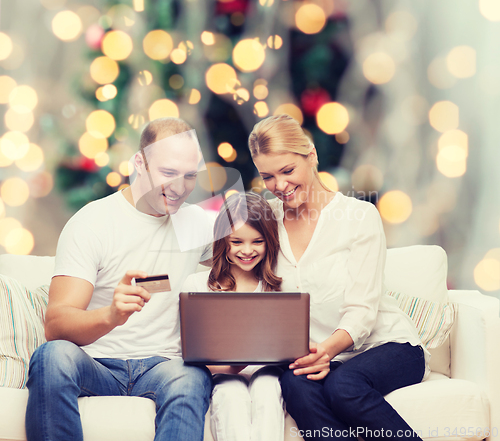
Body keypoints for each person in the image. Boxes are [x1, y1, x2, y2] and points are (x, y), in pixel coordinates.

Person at [26, 118, 214, 441]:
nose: (181, 188)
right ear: (139, 163)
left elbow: (254, 251)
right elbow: (56, 324)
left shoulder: (196, 224)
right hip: (96, 363)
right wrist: (111, 315)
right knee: (51, 357)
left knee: (192, 376)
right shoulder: (93, 223)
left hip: (163, 366)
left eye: (190, 176)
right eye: (168, 173)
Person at [248, 114, 430, 441]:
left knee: (342, 386)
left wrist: (327, 351)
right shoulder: (264, 222)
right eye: (268, 177)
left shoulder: (359, 217)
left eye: (288, 171)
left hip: (387, 346)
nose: (280, 186)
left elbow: (362, 309)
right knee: (293, 383)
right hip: (320, 355)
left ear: (312, 155)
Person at [182, 192, 285, 441]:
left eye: (257, 241)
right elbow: (191, 354)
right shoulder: (197, 284)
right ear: (222, 241)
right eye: (236, 242)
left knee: (268, 390)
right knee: (230, 394)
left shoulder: (280, 286)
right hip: (222, 373)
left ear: (269, 241)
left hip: (269, 371)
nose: (247, 251)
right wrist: (231, 366)